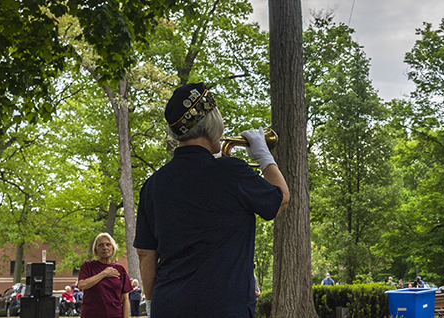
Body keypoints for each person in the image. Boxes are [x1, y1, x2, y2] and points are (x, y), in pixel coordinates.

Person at [135, 83, 289, 318]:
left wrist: (151, 302)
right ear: (212, 124)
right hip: (225, 306)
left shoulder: (152, 184)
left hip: (169, 306)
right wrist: (264, 156)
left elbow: (145, 255)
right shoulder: (232, 171)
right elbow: (281, 200)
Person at [79, 233, 132, 318]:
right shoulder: (88, 266)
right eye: (101, 245)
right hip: (91, 315)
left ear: (113, 248)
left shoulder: (120, 269)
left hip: (115, 315)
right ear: (96, 250)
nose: (105, 248)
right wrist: (104, 273)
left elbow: (125, 299)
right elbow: (82, 285)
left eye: (108, 244)